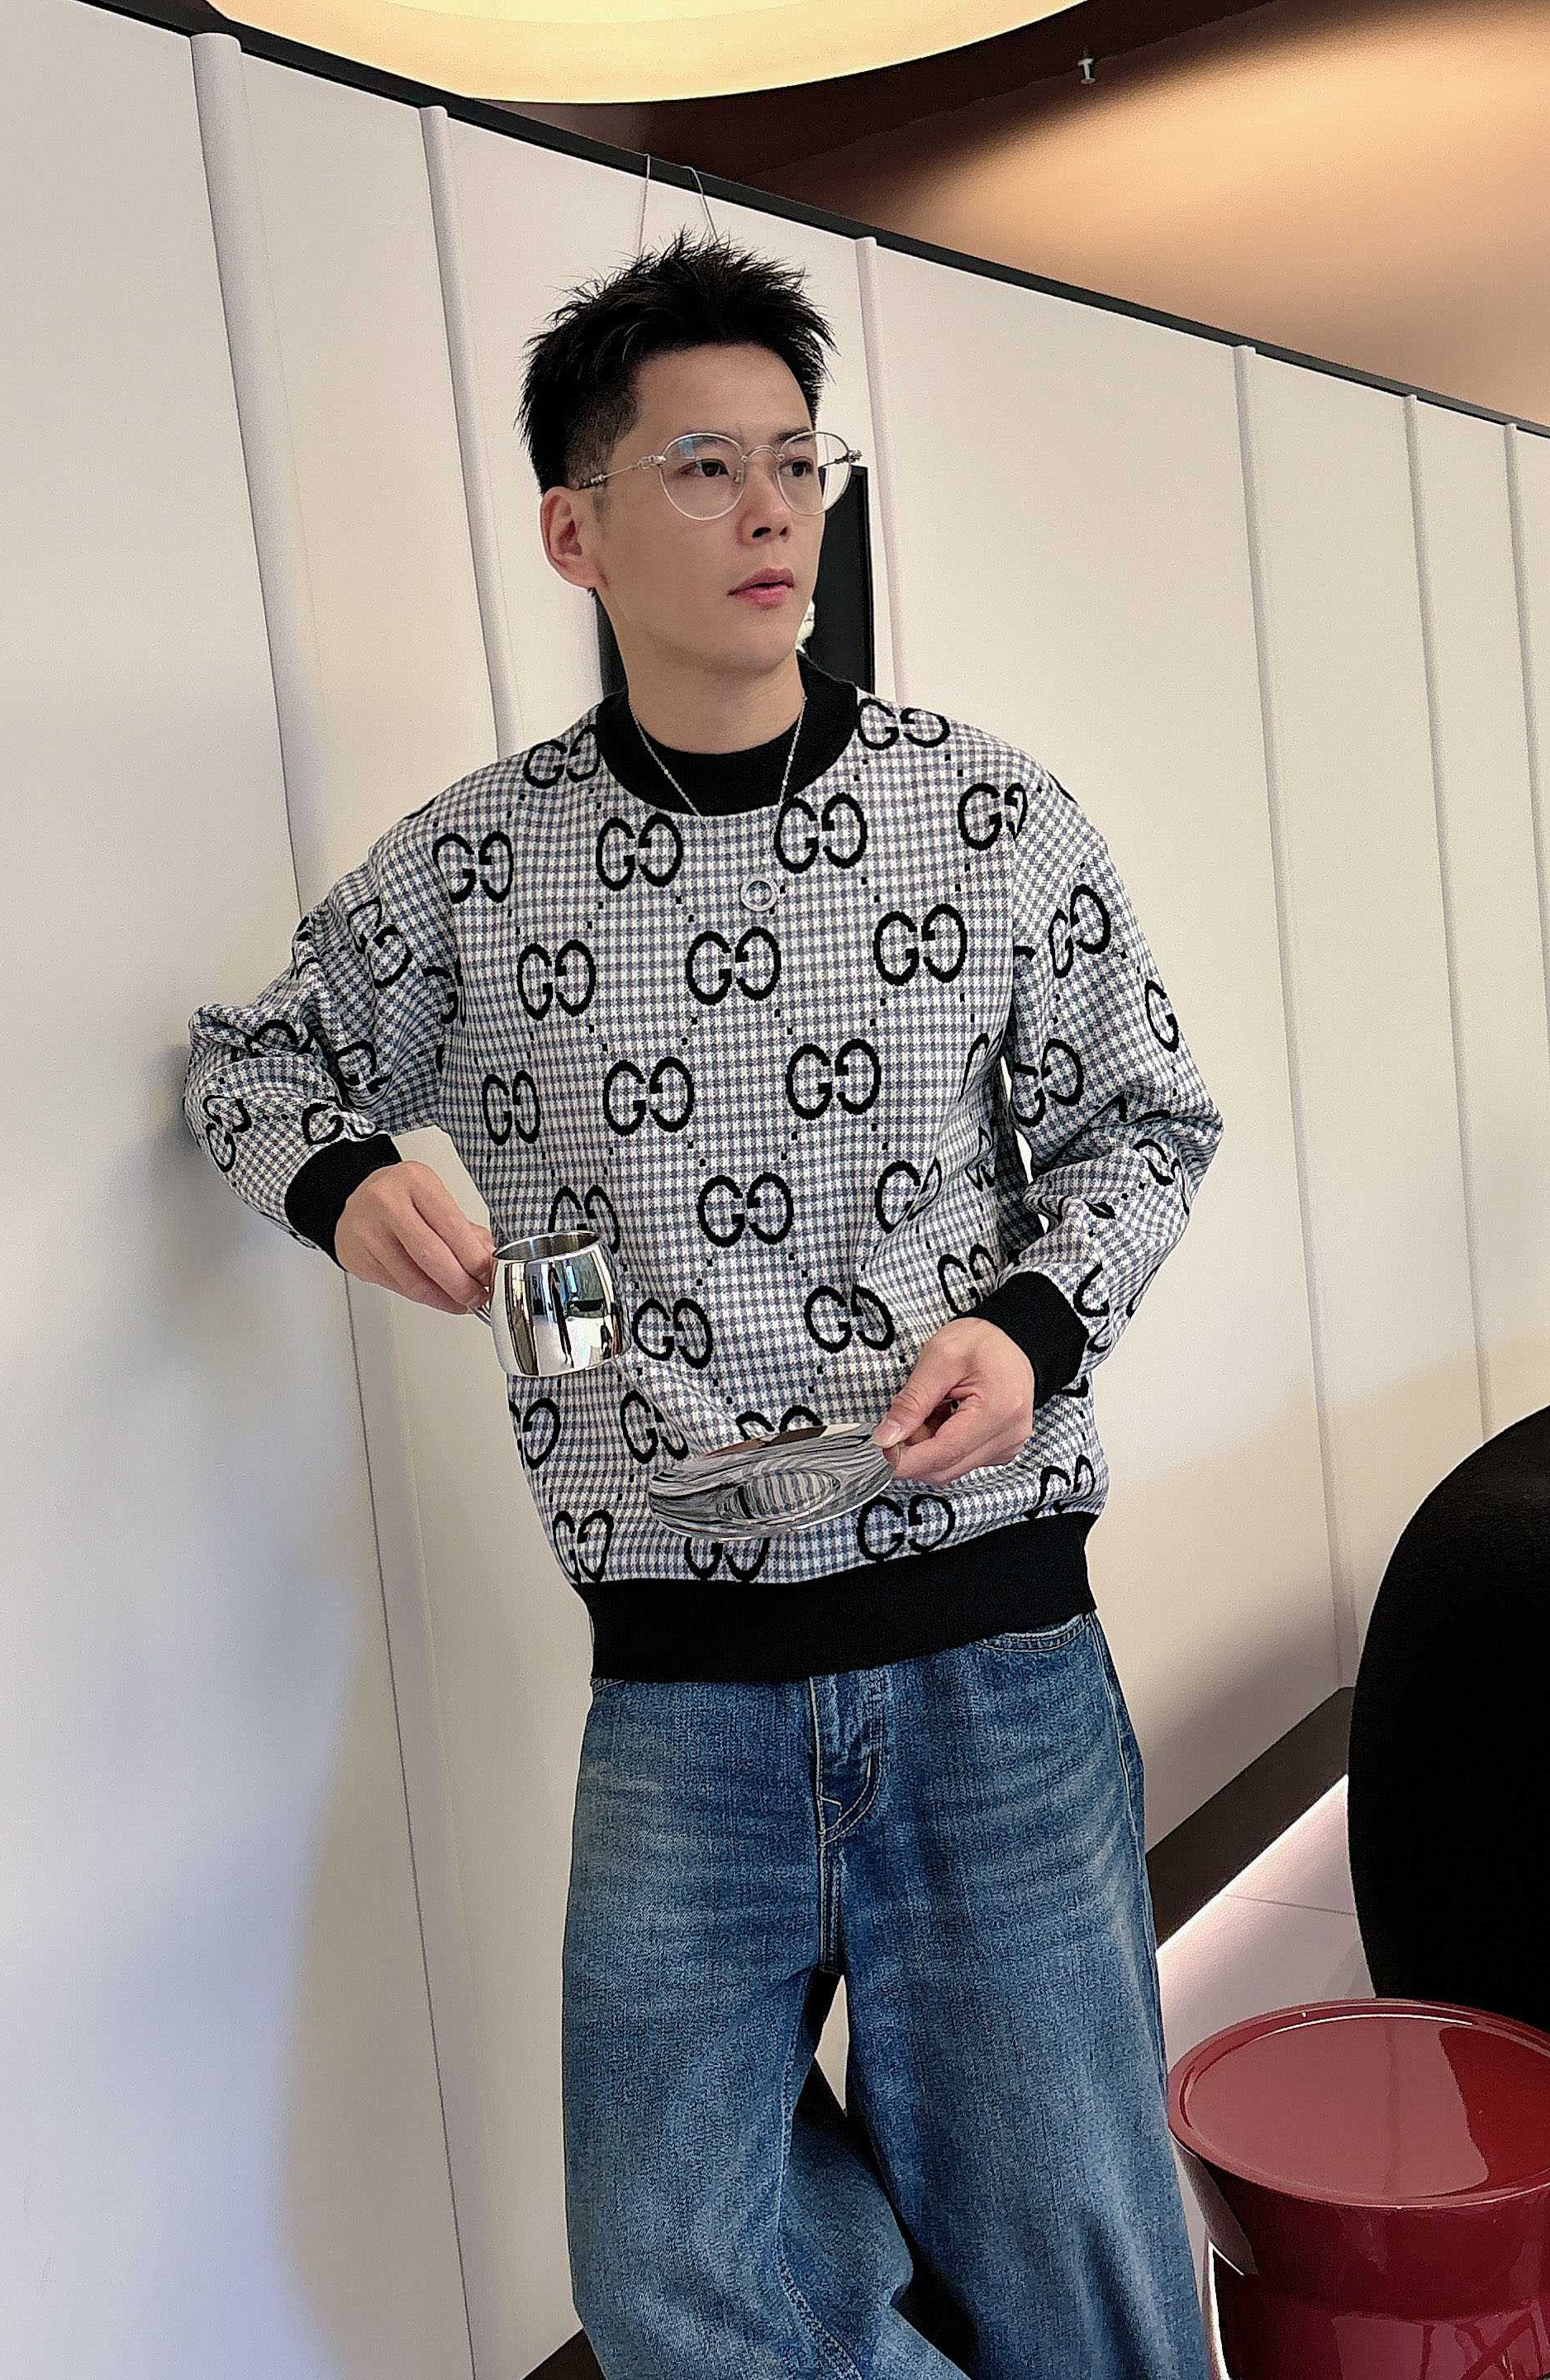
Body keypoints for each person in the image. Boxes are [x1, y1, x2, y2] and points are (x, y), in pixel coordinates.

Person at [183, 224, 1224, 2379]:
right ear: (573, 530)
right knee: (674, 2276)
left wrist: (1032, 1328)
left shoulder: (987, 820)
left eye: (796, 463)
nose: (770, 512)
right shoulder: (474, 871)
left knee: (1077, 2259)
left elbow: (1149, 1123)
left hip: (987, 1647)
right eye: (702, 466)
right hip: (677, 1682)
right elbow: (250, 1064)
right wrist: (347, 1182)